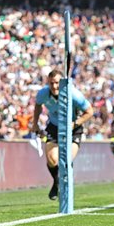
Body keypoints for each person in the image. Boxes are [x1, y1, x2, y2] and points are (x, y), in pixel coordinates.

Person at [30, 69, 94, 200]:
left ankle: (63, 185)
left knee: (66, 159)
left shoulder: (73, 94)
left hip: (73, 128)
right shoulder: (43, 93)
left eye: (57, 83)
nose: (54, 86)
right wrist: (35, 124)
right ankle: (56, 183)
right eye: (51, 83)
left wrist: (75, 123)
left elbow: (89, 111)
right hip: (54, 126)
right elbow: (38, 106)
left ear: (63, 83)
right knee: (52, 159)